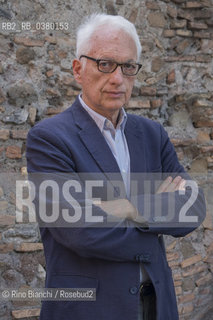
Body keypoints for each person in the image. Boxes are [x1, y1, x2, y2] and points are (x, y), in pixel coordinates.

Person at [26, 13, 206, 320]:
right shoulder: (49, 138)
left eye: (128, 66)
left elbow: (193, 208)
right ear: (77, 69)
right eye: (105, 64)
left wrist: (122, 207)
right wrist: (159, 207)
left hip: (156, 305)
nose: (118, 78)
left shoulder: (152, 135)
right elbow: (80, 230)